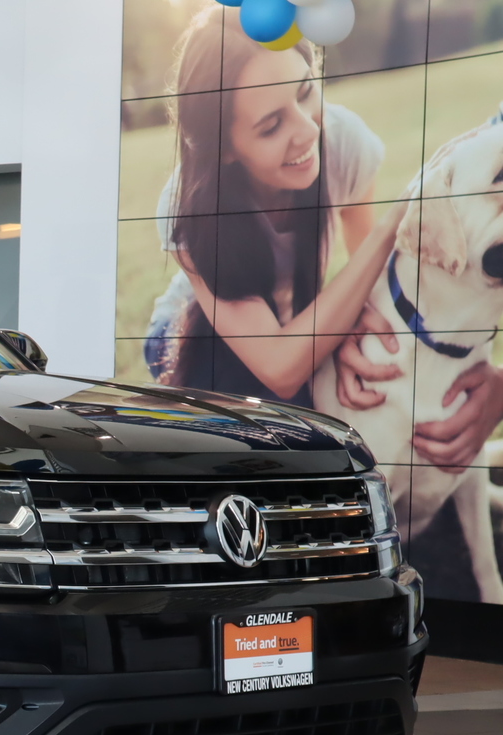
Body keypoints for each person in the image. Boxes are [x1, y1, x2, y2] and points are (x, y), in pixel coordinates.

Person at [145, 4, 503, 475]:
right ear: (225, 149)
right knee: (283, 441)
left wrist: (351, 340)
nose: (308, 129)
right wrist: (404, 210)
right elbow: (279, 364)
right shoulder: (187, 205)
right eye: (271, 125)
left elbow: (376, 286)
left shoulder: (343, 139)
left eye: (305, 91)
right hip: (198, 337)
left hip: (297, 317)